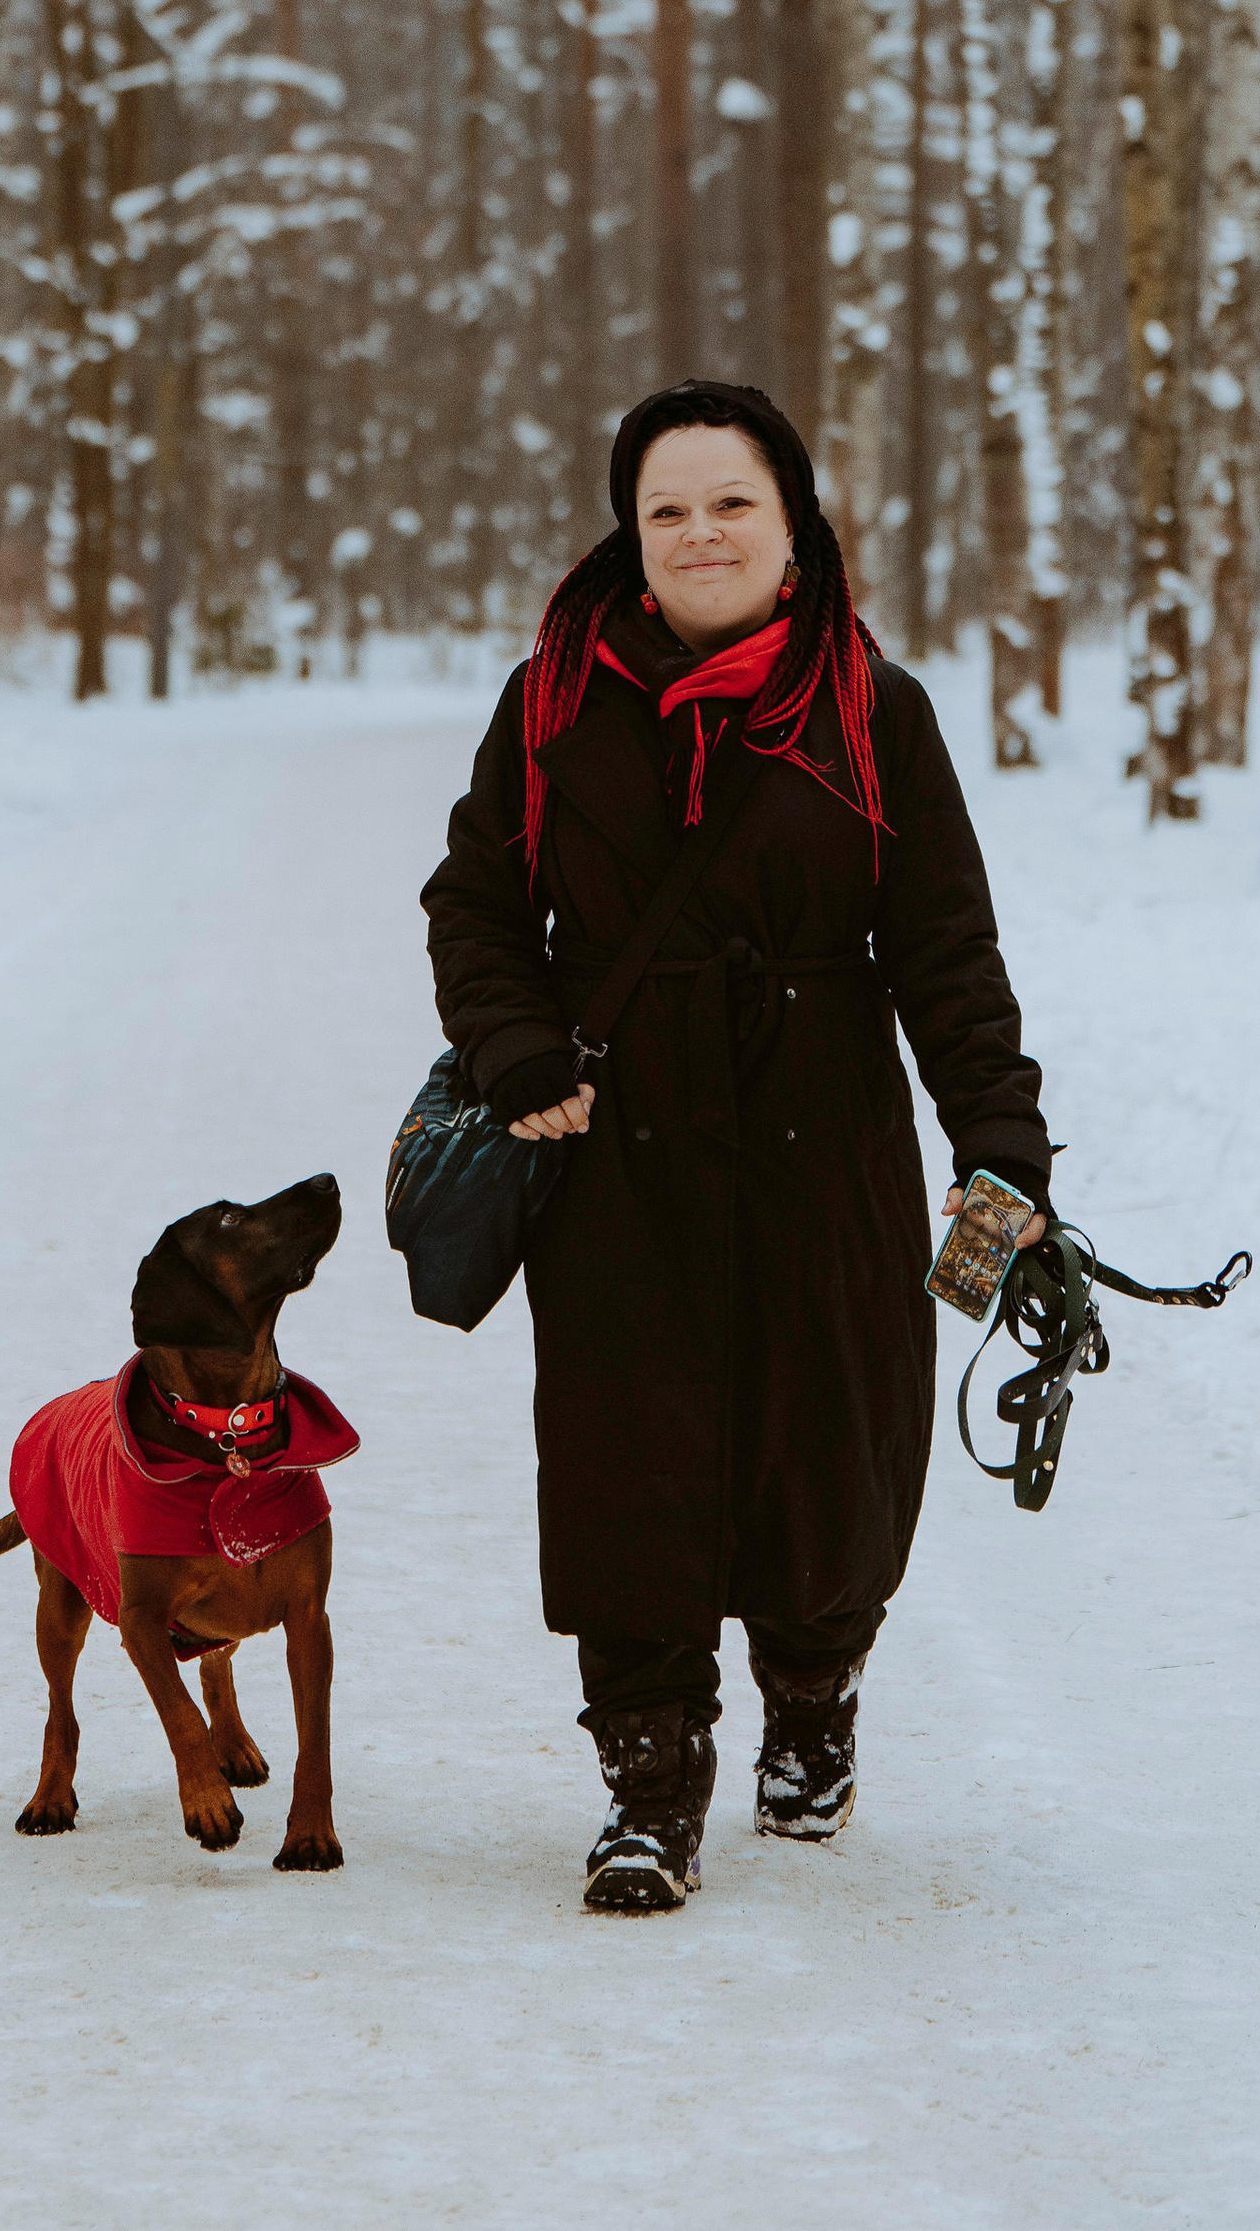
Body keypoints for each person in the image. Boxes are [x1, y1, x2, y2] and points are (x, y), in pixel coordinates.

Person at [420, 377, 1056, 1916]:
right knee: (624, 1459)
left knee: (828, 1452)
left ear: (794, 524)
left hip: (819, 1129)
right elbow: (480, 911)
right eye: (667, 509)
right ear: (630, 535)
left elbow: (948, 954)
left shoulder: (872, 710)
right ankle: (648, 1786)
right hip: (614, 1139)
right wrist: (513, 1053)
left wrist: (1003, 1148)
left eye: (731, 503)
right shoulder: (554, 701)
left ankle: (814, 1698)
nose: (700, 532)